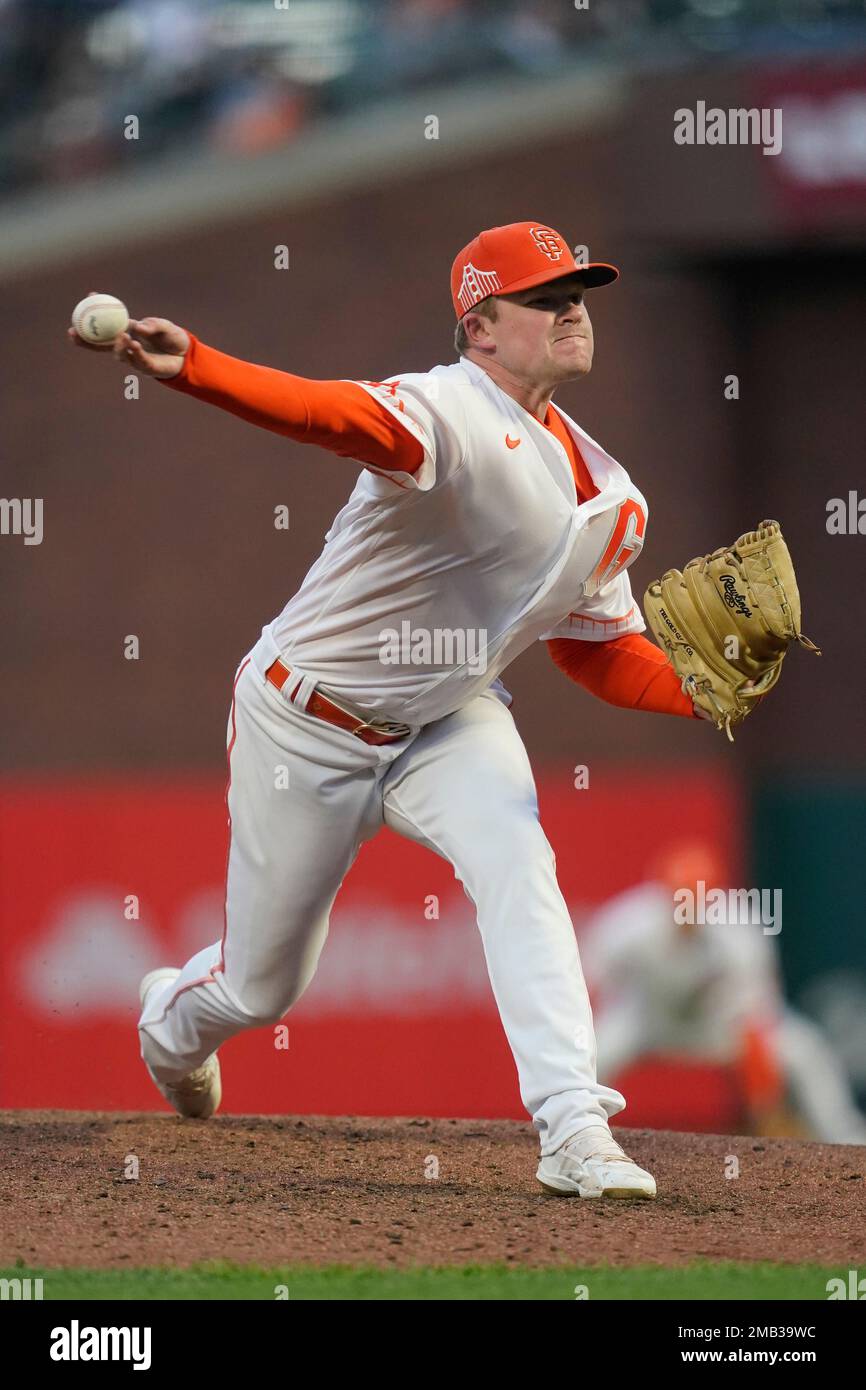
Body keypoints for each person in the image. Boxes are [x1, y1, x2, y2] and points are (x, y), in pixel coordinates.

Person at [69, 221, 713, 1200]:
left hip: (451, 719)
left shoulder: (611, 495)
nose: (571, 307)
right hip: (306, 724)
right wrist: (197, 366)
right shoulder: (443, 411)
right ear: (481, 325)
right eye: (543, 296)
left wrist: (700, 689)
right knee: (261, 985)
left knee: (517, 857)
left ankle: (572, 1125)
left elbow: (596, 653)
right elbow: (329, 416)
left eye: (576, 289)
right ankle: (168, 1024)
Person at [584, 841, 866, 1145]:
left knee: (806, 1051)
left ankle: (849, 1142)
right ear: (663, 891)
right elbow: (591, 977)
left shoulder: (738, 929)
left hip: (718, 1025)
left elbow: (761, 1012)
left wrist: (765, 1099)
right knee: (593, 1050)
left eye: (696, 895)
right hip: (649, 1020)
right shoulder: (630, 923)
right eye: (680, 894)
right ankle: (579, 1131)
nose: (687, 905)